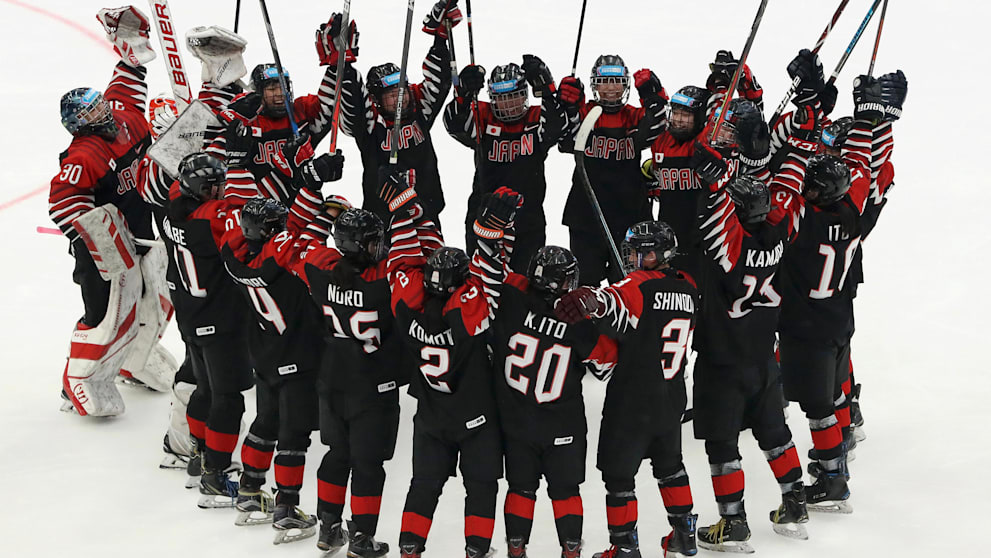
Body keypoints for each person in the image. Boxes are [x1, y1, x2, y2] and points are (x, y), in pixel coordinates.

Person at [384, 179, 519, 558]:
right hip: (474, 416)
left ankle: (409, 548)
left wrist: (405, 213)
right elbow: (489, 275)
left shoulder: (406, 307)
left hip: (430, 416)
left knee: (424, 484)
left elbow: (403, 260)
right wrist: (489, 232)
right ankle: (476, 550)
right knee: (482, 486)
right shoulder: (466, 312)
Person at [51, 6, 175, 417]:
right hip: (104, 255)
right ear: (78, 126)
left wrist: (131, 46)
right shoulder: (84, 156)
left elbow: (129, 76)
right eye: (91, 114)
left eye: (100, 106)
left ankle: (132, 361)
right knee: (104, 314)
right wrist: (98, 243)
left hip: (143, 233)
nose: (103, 114)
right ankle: (79, 379)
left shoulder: (127, 117)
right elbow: (63, 202)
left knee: (155, 302)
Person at [689, 145, 813, 549]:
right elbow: (789, 193)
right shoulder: (777, 235)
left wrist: (714, 186)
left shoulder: (732, 250)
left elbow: (716, 221)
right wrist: (798, 149)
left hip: (723, 363)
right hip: (763, 358)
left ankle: (733, 523)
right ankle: (795, 504)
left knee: (722, 444)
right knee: (776, 434)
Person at [555, 221, 699, 558]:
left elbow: (610, 302)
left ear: (655, 254)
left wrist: (588, 299)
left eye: (638, 251)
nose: (632, 256)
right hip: (672, 395)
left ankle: (623, 548)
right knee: (671, 466)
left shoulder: (636, 287)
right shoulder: (689, 286)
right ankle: (684, 536)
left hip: (633, 399)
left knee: (618, 476)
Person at [220, 155, 340, 542]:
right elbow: (302, 249)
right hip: (297, 354)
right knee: (294, 435)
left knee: (264, 423)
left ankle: (250, 495)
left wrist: (312, 193)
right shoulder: (281, 257)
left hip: (265, 352)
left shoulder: (234, 254)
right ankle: (287, 510)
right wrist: (325, 219)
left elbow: (289, 232)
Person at [489, 246, 617, 558]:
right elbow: (605, 365)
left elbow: (498, 276)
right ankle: (571, 551)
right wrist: (593, 316)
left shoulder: (511, 296)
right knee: (566, 491)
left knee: (520, 488)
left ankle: (516, 550)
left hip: (517, 419)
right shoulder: (576, 320)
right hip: (563, 422)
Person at [158, 152, 253, 506]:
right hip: (222, 320)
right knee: (227, 399)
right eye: (213, 186)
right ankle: (216, 475)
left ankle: (199, 456)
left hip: (190, 315)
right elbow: (241, 221)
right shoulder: (213, 219)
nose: (220, 190)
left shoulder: (172, 205)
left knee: (204, 388)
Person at [318, 1, 458, 222]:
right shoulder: (372, 126)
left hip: (426, 215)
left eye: (402, 91)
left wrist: (440, 38)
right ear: (377, 100)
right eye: (391, 95)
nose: (399, 99)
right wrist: (342, 65)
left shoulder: (419, 110)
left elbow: (438, 83)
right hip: (383, 221)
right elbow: (354, 104)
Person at [443, 56, 569, 270]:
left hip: (527, 219)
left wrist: (547, 92)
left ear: (525, 96)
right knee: (480, 278)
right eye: (502, 98)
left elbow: (558, 128)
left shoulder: (536, 118)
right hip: (484, 215)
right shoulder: (482, 116)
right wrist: (463, 95)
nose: (509, 105)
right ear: (492, 98)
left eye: (514, 97)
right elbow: (454, 125)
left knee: (525, 282)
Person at [557, 55, 667, 285]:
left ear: (625, 85)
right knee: (584, 285)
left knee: (630, 285)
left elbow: (656, 128)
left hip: (628, 217)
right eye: (603, 81)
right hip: (586, 216)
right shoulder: (585, 113)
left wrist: (652, 96)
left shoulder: (632, 115)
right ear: (594, 85)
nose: (609, 88)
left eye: (616, 81)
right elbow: (566, 141)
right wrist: (567, 104)